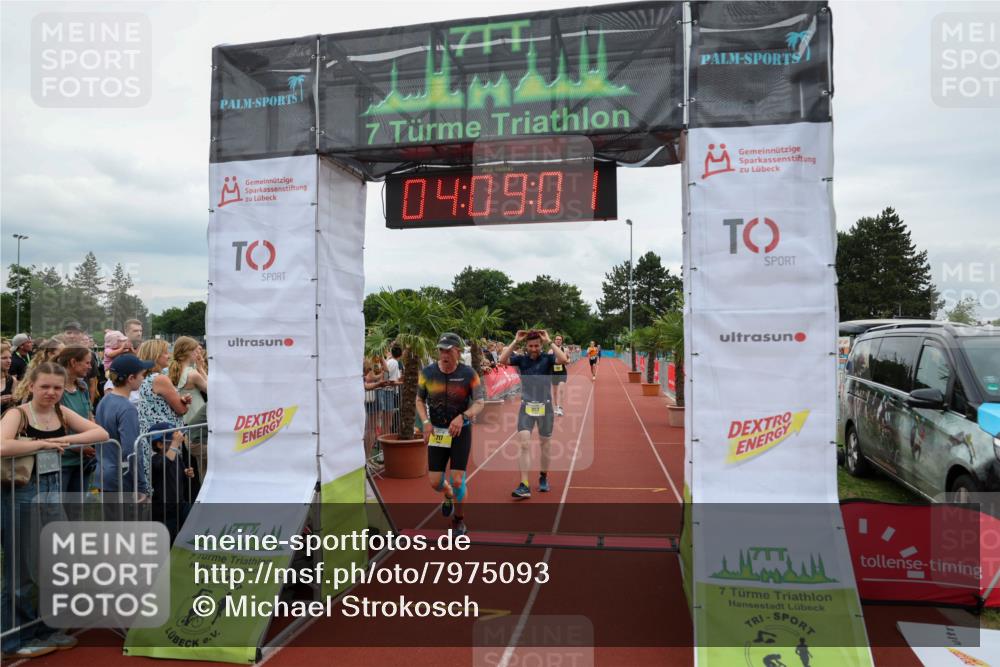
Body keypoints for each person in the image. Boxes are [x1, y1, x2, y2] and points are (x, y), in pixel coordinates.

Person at [1, 362, 108, 659]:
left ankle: (42, 628)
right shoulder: (17, 413)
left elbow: (99, 432)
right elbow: (1, 444)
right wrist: (41, 444)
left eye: (57, 388)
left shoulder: (61, 412)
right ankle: (10, 640)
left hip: (51, 495)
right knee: (20, 571)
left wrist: (63, 440)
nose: (51, 392)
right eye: (45, 386)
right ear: (31, 386)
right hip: (22, 494)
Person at [416, 332, 485, 536]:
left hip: (460, 432)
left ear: (458, 351)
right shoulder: (428, 373)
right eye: (441, 350)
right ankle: (447, 494)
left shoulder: (469, 374)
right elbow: (419, 400)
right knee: (435, 482)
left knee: (457, 480)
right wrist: (425, 422)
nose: (444, 354)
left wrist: (463, 416)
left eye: (448, 350)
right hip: (437, 432)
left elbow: (480, 403)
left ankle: (459, 520)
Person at [499, 329, 568, 499]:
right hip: (526, 407)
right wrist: (515, 340)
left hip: (545, 407)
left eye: (537, 345)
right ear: (527, 346)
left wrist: (549, 340)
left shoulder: (548, 358)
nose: (534, 348)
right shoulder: (521, 360)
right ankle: (524, 484)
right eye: (531, 346)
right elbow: (502, 360)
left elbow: (564, 359)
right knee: (524, 444)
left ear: (541, 345)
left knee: (545, 445)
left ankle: (543, 476)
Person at [95, 353, 153, 500]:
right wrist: (140, 486)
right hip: (122, 479)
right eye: (142, 375)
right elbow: (132, 450)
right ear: (131, 378)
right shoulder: (127, 408)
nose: (143, 378)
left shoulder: (105, 400)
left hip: (105, 474)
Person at [136, 340, 190, 496]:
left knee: (157, 480)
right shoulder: (159, 379)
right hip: (166, 437)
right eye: (166, 352)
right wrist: (184, 405)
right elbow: (180, 410)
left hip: (151, 436)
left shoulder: (143, 379)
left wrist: (181, 401)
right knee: (170, 479)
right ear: (156, 355)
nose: (169, 355)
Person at [54, 346, 98, 495]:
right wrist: (75, 447)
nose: (90, 366)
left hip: (82, 461)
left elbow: (89, 416)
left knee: (76, 510)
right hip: (61, 462)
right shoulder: (55, 391)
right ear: (73, 362)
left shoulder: (82, 387)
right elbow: (52, 426)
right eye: (87, 362)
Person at [148, 422, 198, 542]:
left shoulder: (176, 457)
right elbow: (164, 465)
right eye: (172, 440)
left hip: (180, 504)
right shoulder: (155, 460)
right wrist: (175, 444)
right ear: (160, 444)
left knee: (195, 521)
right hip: (164, 510)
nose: (176, 443)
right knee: (168, 538)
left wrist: (186, 472)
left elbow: (179, 470)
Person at [168, 336, 207, 427]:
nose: (198, 353)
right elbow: (212, 389)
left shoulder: (170, 370)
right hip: (196, 418)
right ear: (188, 352)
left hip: (181, 418)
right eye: (195, 350)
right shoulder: (192, 374)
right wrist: (201, 369)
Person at [550, 334, 569, 416]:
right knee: (554, 392)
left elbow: (568, 358)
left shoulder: (565, 350)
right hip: (554, 372)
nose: (558, 340)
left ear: (562, 341)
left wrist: (567, 361)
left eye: (560, 339)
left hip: (562, 372)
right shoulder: (550, 351)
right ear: (554, 341)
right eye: (557, 339)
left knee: (561, 389)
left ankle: (560, 408)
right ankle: (556, 407)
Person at [1, 343, 14, 414]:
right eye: (4, 358)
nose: (9, 361)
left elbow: (14, 407)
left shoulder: (11, 380)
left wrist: (14, 399)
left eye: (10, 357)